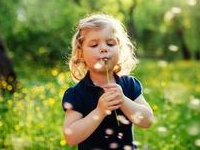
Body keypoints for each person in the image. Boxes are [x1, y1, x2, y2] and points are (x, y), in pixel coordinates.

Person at [62, 14, 154, 149]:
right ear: (81, 54)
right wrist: (99, 111)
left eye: (110, 43)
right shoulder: (77, 94)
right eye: (94, 45)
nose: (104, 48)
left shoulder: (129, 84)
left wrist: (123, 100)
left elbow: (147, 120)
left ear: (119, 49)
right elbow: (70, 137)